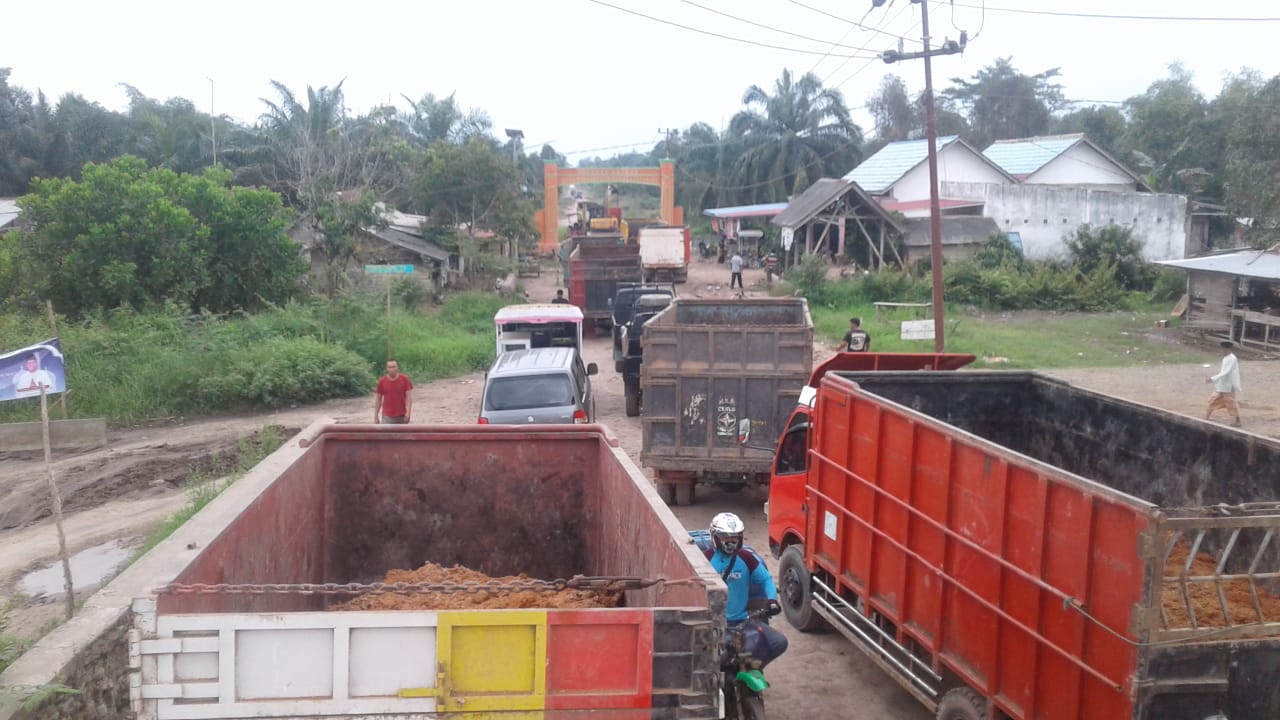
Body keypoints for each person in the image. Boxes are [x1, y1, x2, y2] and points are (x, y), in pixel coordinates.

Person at [705, 512, 788, 668]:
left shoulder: (746, 558)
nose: (730, 542)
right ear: (715, 537)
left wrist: (772, 600)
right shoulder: (704, 559)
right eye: (725, 537)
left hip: (742, 622)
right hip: (714, 624)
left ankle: (751, 669)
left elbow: (765, 579)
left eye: (734, 537)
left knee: (779, 642)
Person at [1205, 340, 1242, 427]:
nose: (1222, 351)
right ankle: (1207, 417)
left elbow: (1226, 372)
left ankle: (1238, 421)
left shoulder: (1232, 359)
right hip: (1222, 384)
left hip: (1229, 386)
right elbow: (1223, 372)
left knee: (1231, 403)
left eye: (1224, 350)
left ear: (1228, 349)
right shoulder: (1226, 358)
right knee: (1213, 399)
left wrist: (1212, 379)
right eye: (1222, 349)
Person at [373, 359, 413, 424]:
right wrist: (376, 416)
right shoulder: (382, 381)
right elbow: (378, 399)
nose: (392, 369)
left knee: (403, 434)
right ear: (386, 368)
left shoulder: (405, 379)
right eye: (390, 367)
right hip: (387, 416)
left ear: (397, 367)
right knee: (386, 434)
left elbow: (409, 397)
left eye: (394, 367)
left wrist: (408, 413)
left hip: (402, 415)